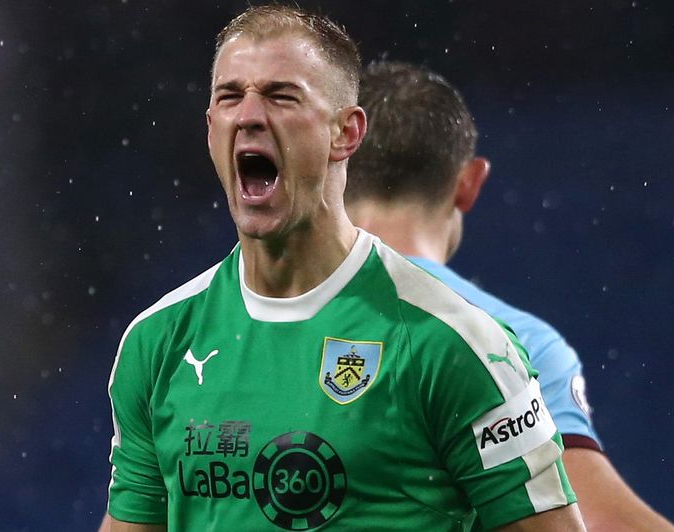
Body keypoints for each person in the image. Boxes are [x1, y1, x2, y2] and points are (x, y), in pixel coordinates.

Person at [103, 6, 585, 531]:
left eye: (281, 96)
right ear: (211, 128)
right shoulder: (156, 343)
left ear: (346, 133)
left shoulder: (450, 342)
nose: (249, 115)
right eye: (229, 96)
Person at [345, 61, 674, 532]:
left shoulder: (237, 321)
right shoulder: (512, 340)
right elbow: (599, 521)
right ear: (469, 183)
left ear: (332, 169)